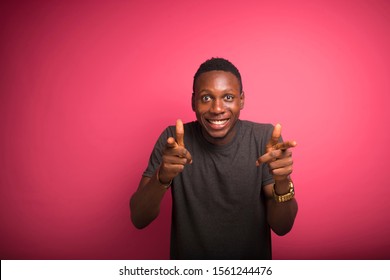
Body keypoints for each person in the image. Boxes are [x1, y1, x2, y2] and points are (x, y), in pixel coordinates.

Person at [130, 57, 298, 259]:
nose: (217, 109)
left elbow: (282, 227)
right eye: (206, 98)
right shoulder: (172, 141)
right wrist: (162, 178)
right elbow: (139, 218)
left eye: (228, 97)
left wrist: (282, 181)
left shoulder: (264, 138)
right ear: (193, 102)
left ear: (242, 100)